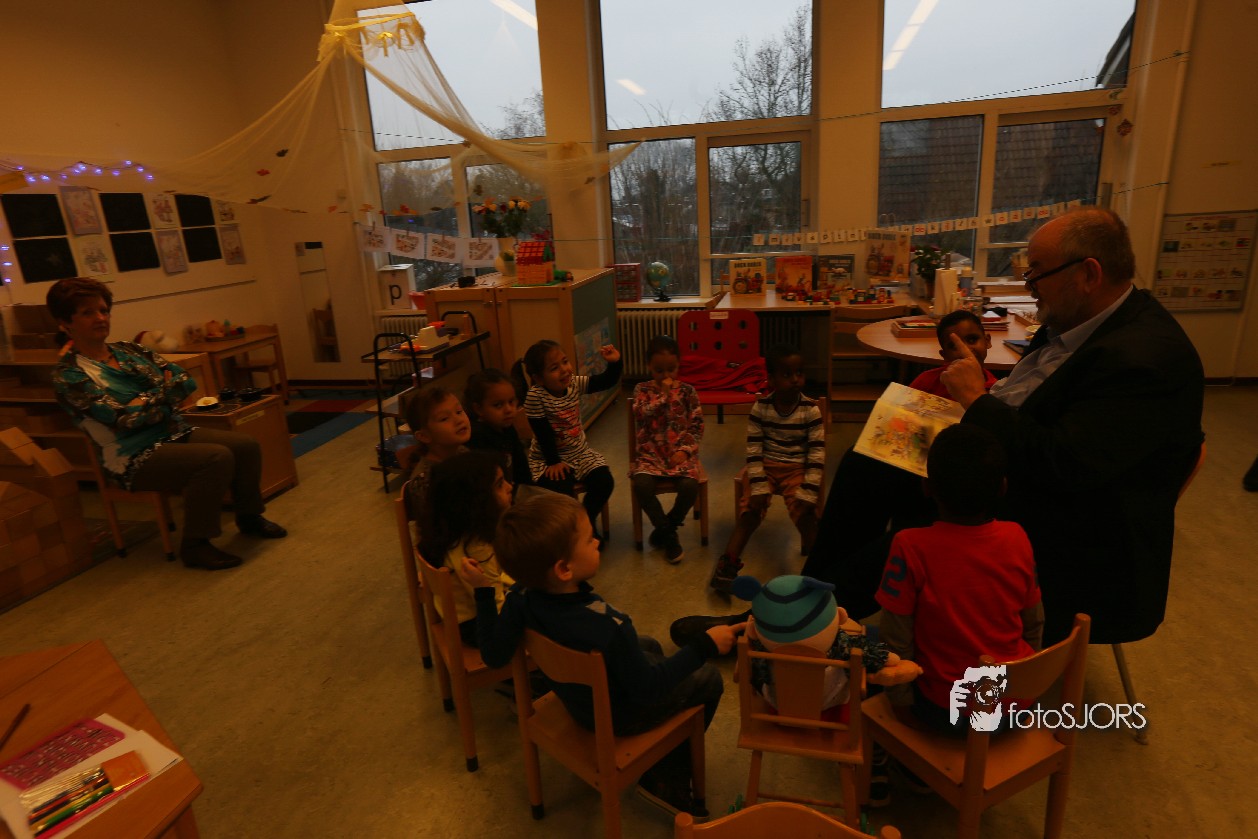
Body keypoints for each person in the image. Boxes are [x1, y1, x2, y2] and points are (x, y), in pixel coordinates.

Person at [807, 207, 1205, 646]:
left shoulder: (1144, 360)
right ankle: (815, 597)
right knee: (870, 457)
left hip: (1071, 525)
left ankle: (810, 624)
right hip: (1019, 467)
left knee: (919, 533)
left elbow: (1062, 464)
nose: (1029, 284)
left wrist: (976, 400)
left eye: (1037, 271)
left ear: (1088, 274)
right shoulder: (1078, 322)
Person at [463, 492, 743, 817]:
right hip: (617, 716)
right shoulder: (609, 625)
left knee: (649, 645)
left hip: (576, 699)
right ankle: (666, 779)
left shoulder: (519, 597)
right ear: (564, 569)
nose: (597, 541)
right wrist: (705, 645)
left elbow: (494, 656)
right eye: (588, 539)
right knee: (708, 678)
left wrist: (483, 591)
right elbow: (648, 689)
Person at [47, 277, 286, 571]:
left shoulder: (129, 350)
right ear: (64, 322)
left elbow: (184, 381)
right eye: (88, 313)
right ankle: (195, 545)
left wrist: (143, 402)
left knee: (245, 445)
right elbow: (124, 421)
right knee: (215, 458)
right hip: (130, 456)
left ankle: (249, 517)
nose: (101, 318)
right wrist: (162, 396)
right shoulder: (69, 375)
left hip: (171, 432)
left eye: (103, 310)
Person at [875, 424, 1043, 737]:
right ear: (1003, 487)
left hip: (944, 711)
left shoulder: (909, 546)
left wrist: (900, 705)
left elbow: (895, 637)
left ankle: (897, 763)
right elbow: (1033, 623)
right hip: (1016, 706)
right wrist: (1023, 682)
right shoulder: (1018, 537)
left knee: (866, 644)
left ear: (926, 487)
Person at [709, 344, 825, 595]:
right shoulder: (760, 408)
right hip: (765, 467)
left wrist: (809, 490)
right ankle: (726, 567)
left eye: (799, 373)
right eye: (787, 374)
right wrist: (759, 485)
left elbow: (817, 455)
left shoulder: (811, 410)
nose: (795, 380)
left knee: (807, 516)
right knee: (749, 513)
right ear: (771, 379)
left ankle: (822, 570)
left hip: (797, 469)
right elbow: (753, 451)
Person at [517, 339, 622, 542]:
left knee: (604, 481)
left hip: (579, 453)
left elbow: (605, 381)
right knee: (561, 494)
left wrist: (614, 362)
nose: (564, 370)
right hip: (549, 457)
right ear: (538, 378)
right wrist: (554, 461)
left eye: (565, 362)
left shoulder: (573, 383)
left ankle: (585, 523)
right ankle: (569, 532)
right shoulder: (535, 396)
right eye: (554, 368)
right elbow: (542, 432)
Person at [419, 451, 514, 646]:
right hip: (482, 628)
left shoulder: (451, 532)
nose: (509, 487)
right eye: (499, 484)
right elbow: (497, 609)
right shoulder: (476, 547)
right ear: (476, 501)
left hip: (462, 619)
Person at [630, 335, 704, 564]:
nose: (666, 375)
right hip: (650, 456)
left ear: (679, 365)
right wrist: (663, 396)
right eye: (659, 370)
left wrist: (685, 451)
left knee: (690, 487)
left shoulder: (688, 391)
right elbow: (640, 413)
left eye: (671, 369)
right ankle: (669, 536)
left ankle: (667, 528)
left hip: (680, 455)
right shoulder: (642, 389)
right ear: (649, 367)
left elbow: (697, 426)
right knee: (641, 485)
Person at [401, 386, 470, 527]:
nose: (459, 420)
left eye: (459, 411)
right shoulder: (425, 480)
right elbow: (439, 527)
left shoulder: (463, 452)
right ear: (424, 436)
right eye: (444, 419)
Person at [464, 368, 531, 491]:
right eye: (498, 405)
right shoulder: (477, 438)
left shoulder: (507, 426)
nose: (508, 409)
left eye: (511, 401)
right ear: (478, 409)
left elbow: (521, 465)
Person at [906, 309, 996, 398]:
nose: (966, 350)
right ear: (945, 355)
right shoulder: (926, 382)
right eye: (954, 346)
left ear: (987, 341)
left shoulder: (996, 390)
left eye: (972, 340)